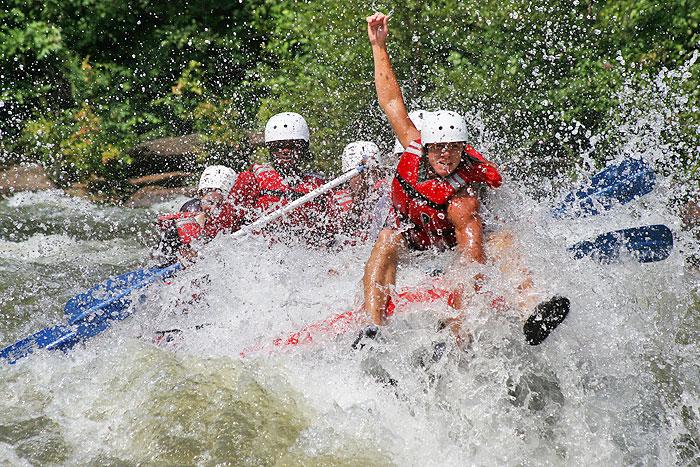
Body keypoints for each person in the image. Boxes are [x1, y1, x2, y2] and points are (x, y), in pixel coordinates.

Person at [358, 12, 569, 348]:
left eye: (453, 149)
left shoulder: (463, 197)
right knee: (385, 238)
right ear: (425, 147)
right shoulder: (412, 146)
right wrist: (378, 45)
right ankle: (371, 327)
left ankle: (531, 312)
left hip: (453, 243)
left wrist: (455, 317)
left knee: (502, 242)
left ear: (463, 148)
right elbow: (391, 101)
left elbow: (470, 259)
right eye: (438, 149)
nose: (445, 156)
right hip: (413, 239)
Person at [223, 112, 341, 246]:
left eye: (292, 145)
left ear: (303, 148)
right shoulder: (251, 179)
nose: (285, 151)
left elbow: (334, 230)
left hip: (303, 254)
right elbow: (225, 224)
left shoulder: (318, 186)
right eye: (277, 146)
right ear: (270, 148)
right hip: (261, 253)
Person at [154, 165, 237, 265]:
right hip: (172, 252)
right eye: (210, 202)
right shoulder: (191, 210)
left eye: (219, 203)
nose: (214, 208)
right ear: (201, 195)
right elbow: (187, 251)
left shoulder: (229, 209)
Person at [333, 141, 391, 244]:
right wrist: (357, 202)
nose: (366, 178)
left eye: (372, 172)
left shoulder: (386, 196)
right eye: (360, 173)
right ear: (347, 176)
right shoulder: (338, 200)